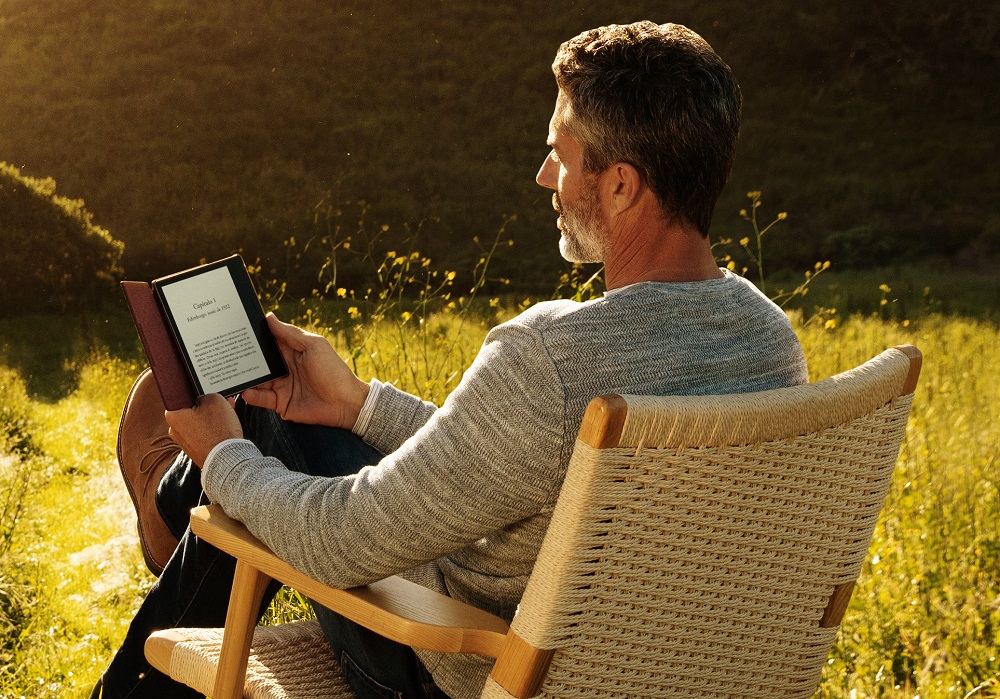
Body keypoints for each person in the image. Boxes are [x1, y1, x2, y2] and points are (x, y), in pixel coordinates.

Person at [91, 21, 808, 699]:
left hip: (457, 664)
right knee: (292, 419)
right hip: (643, 667)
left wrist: (222, 457)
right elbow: (535, 465)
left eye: (560, 152)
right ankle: (180, 499)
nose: (542, 175)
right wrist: (360, 405)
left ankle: (176, 502)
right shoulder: (771, 341)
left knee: (257, 429)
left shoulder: (551, 360)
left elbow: (342, 541)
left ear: (621, 185)